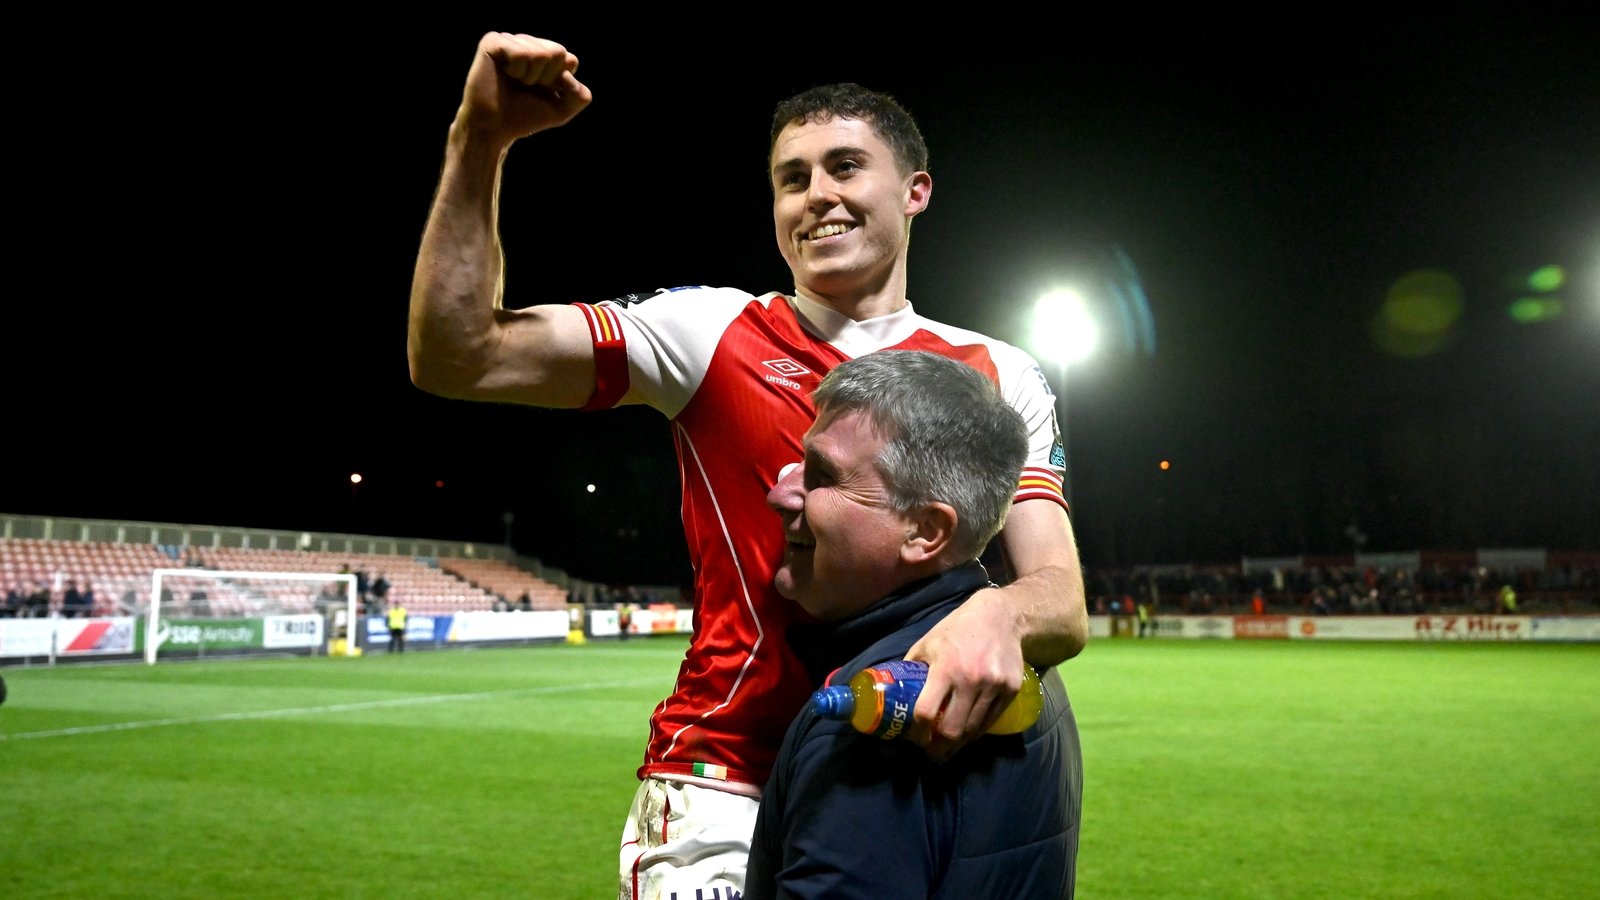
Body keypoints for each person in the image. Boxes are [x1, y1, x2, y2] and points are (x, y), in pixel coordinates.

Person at [407, 32, 1088, 897]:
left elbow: (1058, 596)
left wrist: (1001, 612)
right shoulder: (710, 331)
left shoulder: (999, 373)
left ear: (916, 191)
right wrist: (480, 140)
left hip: (899, 768)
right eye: (792, 178)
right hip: (723, 783)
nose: (818, 195)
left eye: (846, 167)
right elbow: (459, 353)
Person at [746, 350, 1080, 898]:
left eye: (822, 476)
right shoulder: (1011, 663)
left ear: (924, 532)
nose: (779, 493)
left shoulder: (876, 714)